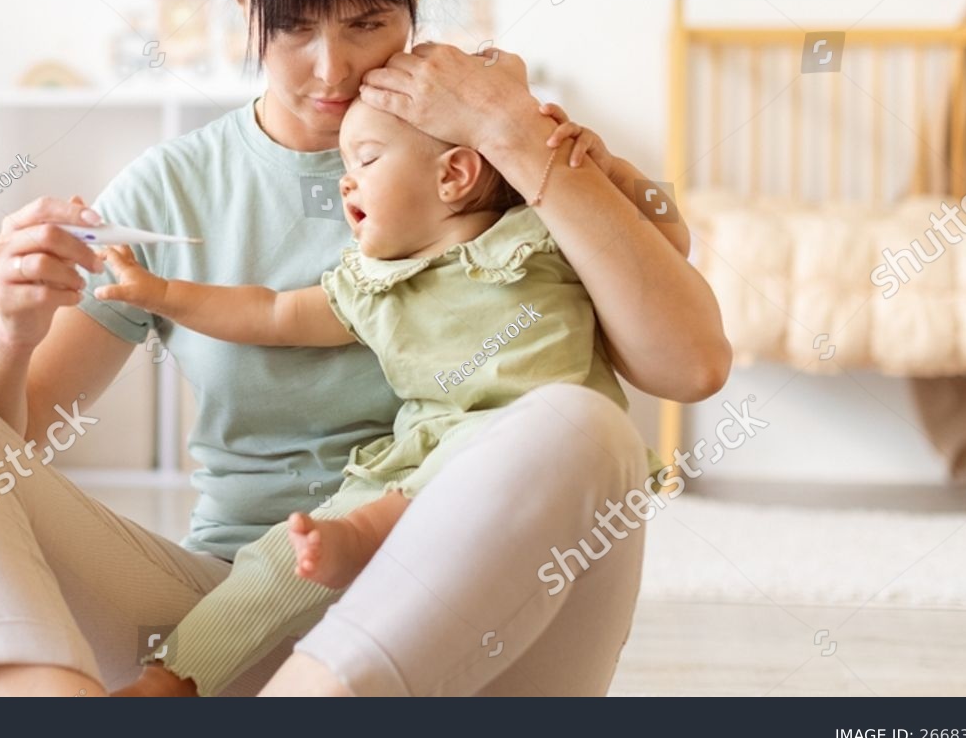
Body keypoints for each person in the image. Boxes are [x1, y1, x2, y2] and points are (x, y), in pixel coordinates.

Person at [0, 0, 731, 697]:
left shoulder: (504, 150)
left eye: (368, 22)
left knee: (585, 425)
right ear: (241, 1)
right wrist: (12, 331)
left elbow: (691, 366)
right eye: (293, 26)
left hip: (487, 637)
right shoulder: (177, 188)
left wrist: (515, 138)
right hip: (230, 622)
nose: (331, 66)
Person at [97, 97, 678, 696]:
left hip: (533, 455)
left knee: (477, 478)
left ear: (453, 174)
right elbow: (270, 314)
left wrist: (609, 173)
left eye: (366, 159)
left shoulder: (540, 231)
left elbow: (666, 239)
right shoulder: (370, 284)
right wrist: (162, 291)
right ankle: (171, 680)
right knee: (274, 561)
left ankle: (367, 540)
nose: (345, 179)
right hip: (420, 457)